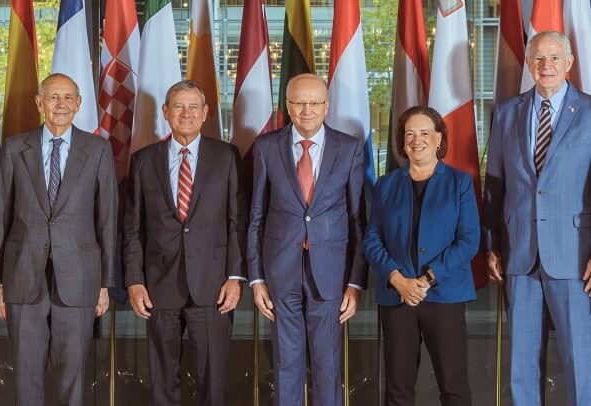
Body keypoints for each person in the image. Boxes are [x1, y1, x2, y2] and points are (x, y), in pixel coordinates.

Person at [0, 73, 117, 406]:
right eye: (52, 98)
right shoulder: (16, 148)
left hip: (79, 278)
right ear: (39, 102)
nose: (60, 105)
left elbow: (107, 220)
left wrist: (104, 284)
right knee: (26, 377)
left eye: (67, 98)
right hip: (21, 276)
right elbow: (2, 218)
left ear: (78, 104)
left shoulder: (99, 150)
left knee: (72, 377)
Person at [123, 80, 247, 406]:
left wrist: (235, 277)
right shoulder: (142, 161)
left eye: (194, 106)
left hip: (214, 284)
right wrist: (134, 281)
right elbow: (132, 228)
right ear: (166, 112)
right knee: (163, 378)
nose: (186, 113)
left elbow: (237, 222)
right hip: (158, 286)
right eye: (178, 106)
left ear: (206, 113)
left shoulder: (227, 156)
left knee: (212, 379)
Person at [484, 30, 591, 406]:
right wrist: (493, 245)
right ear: (528, 64)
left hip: (574, 256)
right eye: (539, 59)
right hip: (519, 255)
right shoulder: (507, 111)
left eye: (554, 59)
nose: (546, 66)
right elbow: (495, 184)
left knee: (581, 360)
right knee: (521, 365)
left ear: (569, 64)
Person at [247, 73, 367, 406]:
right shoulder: (267, 147)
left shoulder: (349, 147)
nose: (307, 110)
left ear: (327, 106)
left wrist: (355, 283)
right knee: (286, 364)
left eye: (314, 103)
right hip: (280, 272)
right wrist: (256, 278)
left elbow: (359, 219)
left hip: (330, 273)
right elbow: (256, 215)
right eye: (299, 103)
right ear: (287, 106)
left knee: (327, 365)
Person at [364, 106, 479, 406]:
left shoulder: (459, 182)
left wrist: (427, 279)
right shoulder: (386, 184)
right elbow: (373, 239)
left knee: (453, 386)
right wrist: (397, 279)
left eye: (425, 133)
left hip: (444, 295)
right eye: (409, 134)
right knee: (397, 389)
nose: (417, 140)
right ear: (402, 142)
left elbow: (468, 241)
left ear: (439, 138)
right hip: (397, 296)